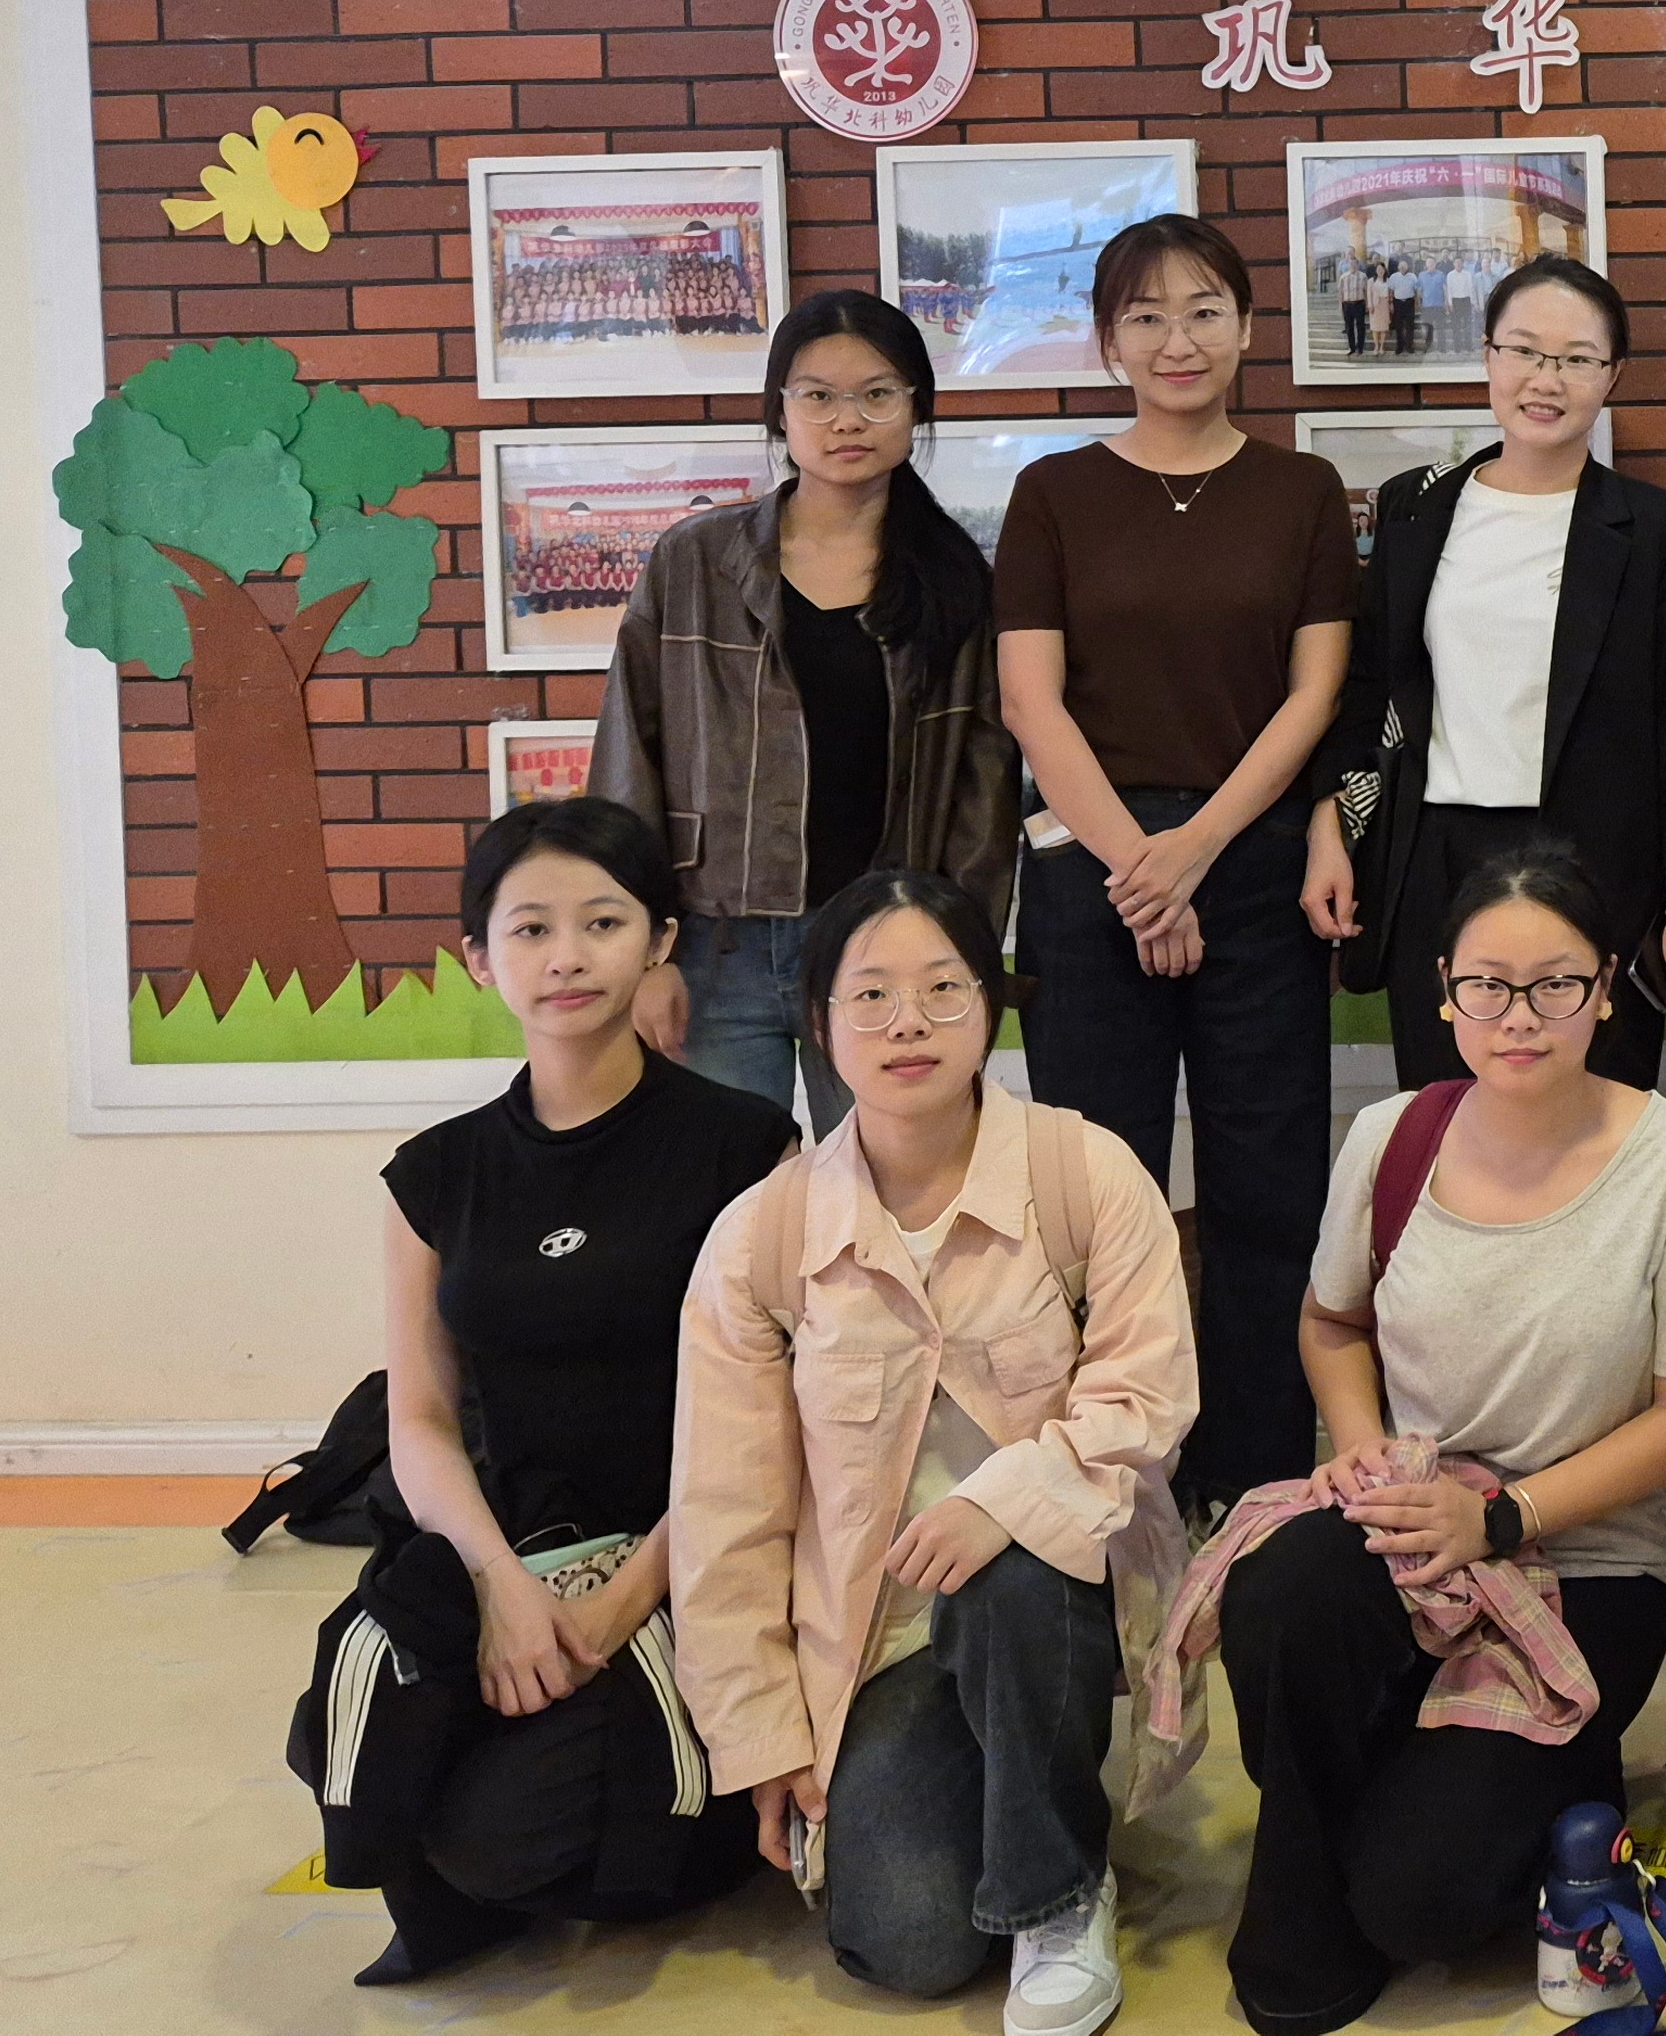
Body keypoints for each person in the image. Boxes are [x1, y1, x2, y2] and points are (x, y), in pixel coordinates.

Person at [1212, 848, 1666, 2035]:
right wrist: (1360, 1451)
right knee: (1280, 1595)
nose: (1520, 1016)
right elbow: (1331, 1322)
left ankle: (1542, 1777)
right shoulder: (1393, 1135)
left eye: (1556, 984)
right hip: (1415, 1528)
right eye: (1488, 986)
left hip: (1587, 1559)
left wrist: (1502, 1518)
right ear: (1444, 990)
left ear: (1606, 989)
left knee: (1421, 1903)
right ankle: (1308, 1874)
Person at [673, 868, 1198, 2032]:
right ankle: (1004, 1798)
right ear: (819, 1024)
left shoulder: (1083, 1174)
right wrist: (764, 1737)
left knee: (1011, 1573)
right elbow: (725, 1512)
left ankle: (1061, 1892)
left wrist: (1000, 1500)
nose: (906, 1023)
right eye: (870, 996)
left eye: (942, 990)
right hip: (879, 1639)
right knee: (905, 1945)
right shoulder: (762, 1237)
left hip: (1060, 1600)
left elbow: (1145, 1396)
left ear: (988, 1008)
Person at [301, 799, 788, 1986]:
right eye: (529, 929)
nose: (566, 956)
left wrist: (623, 1601)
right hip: (510, 1549)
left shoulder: (749, 1150)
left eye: (602, 923)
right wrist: (499, 1585)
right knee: (351, 1716)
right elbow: (419, 1419)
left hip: (683, 1566)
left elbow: (778, 1431)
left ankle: (640, 1828)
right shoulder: (435, 1173)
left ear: (659, 940)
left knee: (500, 1839)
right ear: (480, 958)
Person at [994, 212, 1356, 1513]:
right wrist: (1139, 871)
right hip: (1089, 867)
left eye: (1203, 309)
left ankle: (1254, 1476)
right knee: (1098, 1194)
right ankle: (1115, 1476)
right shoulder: (1054, 493)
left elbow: (1316, 692)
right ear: (1107, 340)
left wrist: (1193, 854)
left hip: (1251, 864)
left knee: (1270, 1185)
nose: (1176, 339)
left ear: (1248, 328)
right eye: (1144, 316)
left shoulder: (1300, 491)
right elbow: (1031, 702)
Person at [592, 289, 1015, 1136]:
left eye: (877, 394)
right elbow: (627, 761)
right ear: (779, 410)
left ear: (916, 408)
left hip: (883, 947)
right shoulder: (695, 562)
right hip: (712, 948)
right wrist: (641, 954)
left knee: (883, 1183)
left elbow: (984, 790)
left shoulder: (953, 579)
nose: (847, 419)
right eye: (818, 395)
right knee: (725, 1190)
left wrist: (957, 956)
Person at [1310, 254, 1666, 1085]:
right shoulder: (1416, 506)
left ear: (1612, 376)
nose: (1546, 379)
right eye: (1525, 350)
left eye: (1577, 359)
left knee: (1597, 1104)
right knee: (1445, 1103)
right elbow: (1369, 687)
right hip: (1437, 857)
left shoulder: (1650, 526)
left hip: (1596, 859)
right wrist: (1330, 829)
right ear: (1490, 357)